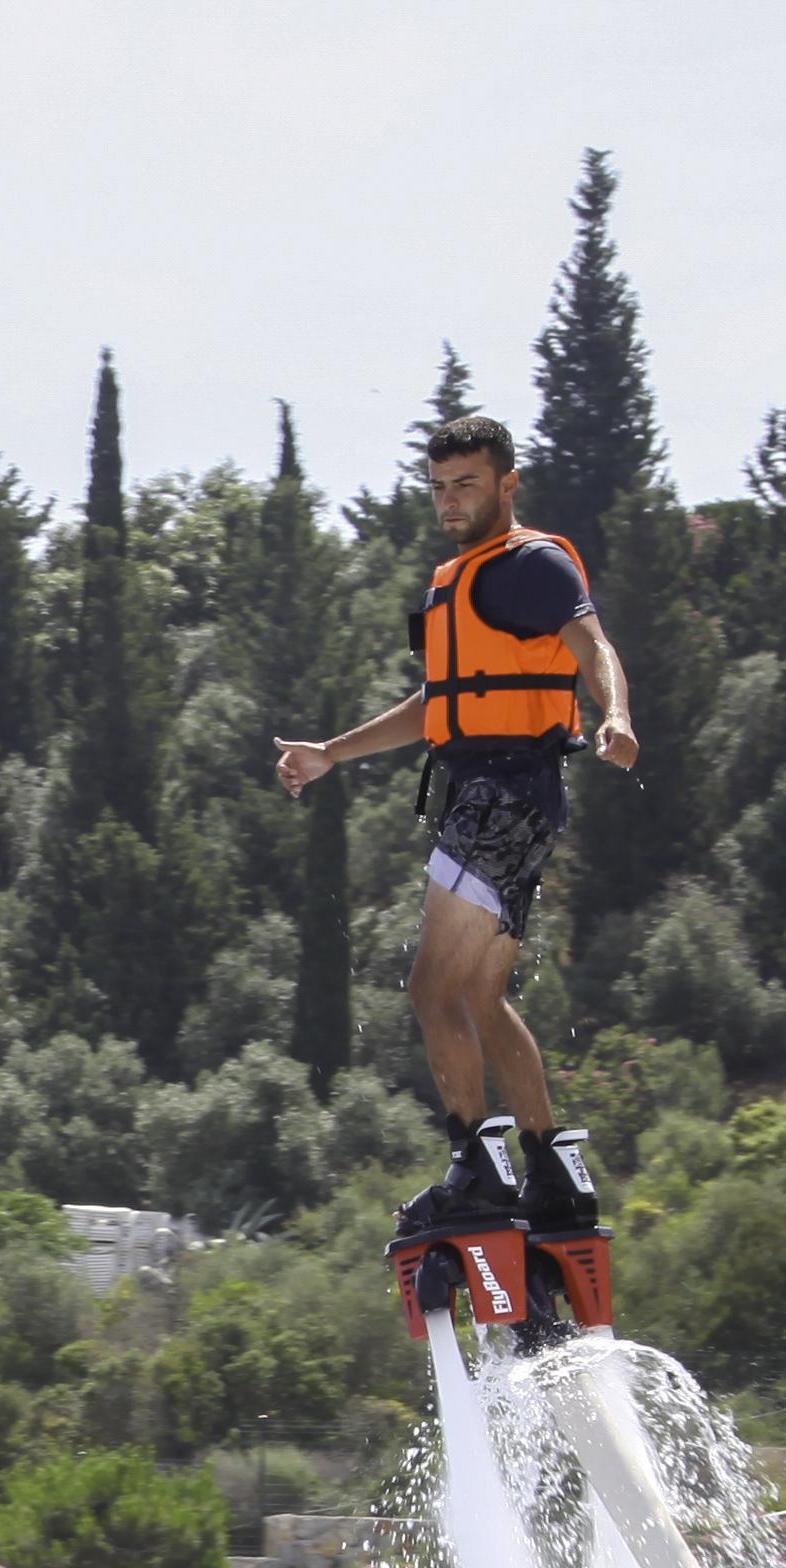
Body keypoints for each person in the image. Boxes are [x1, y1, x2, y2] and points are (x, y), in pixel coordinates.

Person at [271, 411, 644, 1273]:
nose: (450, 502)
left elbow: (594, 643)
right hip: (498, 798)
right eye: (439, 487)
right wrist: (330, 753)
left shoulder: (531, 564)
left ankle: (478, 1166)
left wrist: (616, 713)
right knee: (477, 998)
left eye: (467, 485)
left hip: (505, 795)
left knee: (431, 990)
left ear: (507, 484)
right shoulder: (459, 580)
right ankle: (554, 1172)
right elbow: (439, 702)